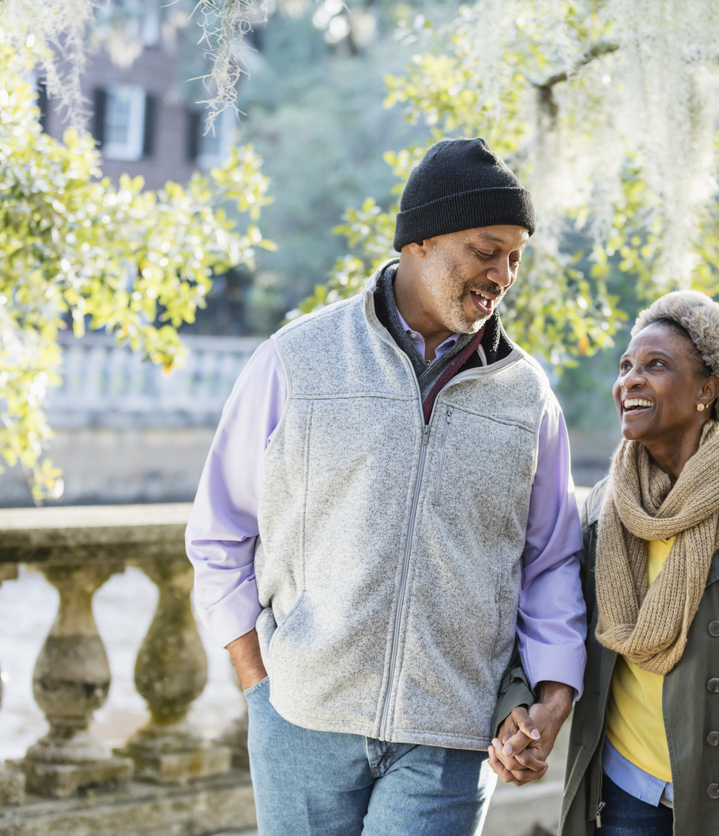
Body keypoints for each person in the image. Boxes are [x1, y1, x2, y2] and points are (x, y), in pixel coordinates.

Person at [186, 137, 586, 835]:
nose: (504, 274)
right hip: (301, 719)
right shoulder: (296, 361)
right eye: (487, 250)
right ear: (421, 240)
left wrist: (555, 693)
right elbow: (221, 530)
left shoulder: (527, 396)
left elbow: (550, 560)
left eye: (516, 257)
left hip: (451, 734)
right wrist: (260, 682)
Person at [495, 290, 719, 835]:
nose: (629, 380)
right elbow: (545, 606)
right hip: (623, 790)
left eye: (656, 366)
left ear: (709, 389)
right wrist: (519, 706)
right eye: (626, 366)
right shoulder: (605, 506)